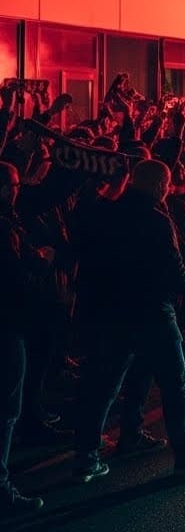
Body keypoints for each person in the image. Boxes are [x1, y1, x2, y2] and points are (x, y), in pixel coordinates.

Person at [70, 160, 185, 482]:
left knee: (110, 383)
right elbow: (173, 265)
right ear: (160, 186)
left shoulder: (108, 212)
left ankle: (91, 454)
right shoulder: (156, 219)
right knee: (175, 381)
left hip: (113, 310)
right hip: (152, 310)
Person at [1, 161, 51, 517]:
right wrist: (40, 261)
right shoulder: (6, 230)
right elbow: (17, 279)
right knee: (6, 411)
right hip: (8, 326)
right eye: (16, 185)